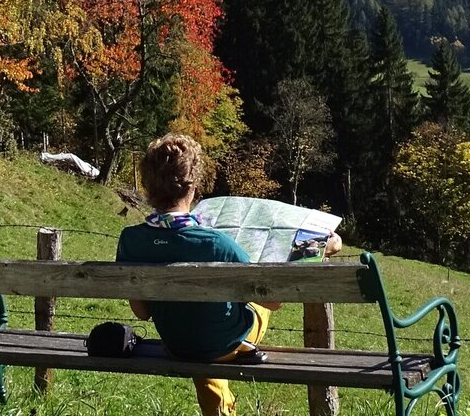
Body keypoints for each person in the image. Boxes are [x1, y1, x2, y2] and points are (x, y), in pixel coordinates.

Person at [116, 133, 340, 416]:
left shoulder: (130, 240)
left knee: (202, 324)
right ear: (193, 186)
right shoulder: (217, 244)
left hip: (175, 344)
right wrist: (321, 247)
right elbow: (274, 301)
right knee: (241, 308)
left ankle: (220, 409)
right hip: (226, 343)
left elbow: (141, 312)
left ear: (148, 185)